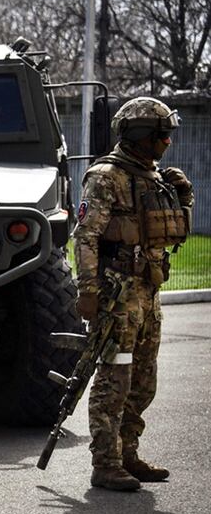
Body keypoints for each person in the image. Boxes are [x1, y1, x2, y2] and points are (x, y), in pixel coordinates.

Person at [73, 96, 194, 491]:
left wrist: (182, 198)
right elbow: (86, 236)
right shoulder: (106, 176)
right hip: (117, 295)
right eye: (162, 136)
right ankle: (105, 463)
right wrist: (88, 290)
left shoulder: (154, 176)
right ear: (141, 136)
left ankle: (128, 453)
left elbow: (165, 231)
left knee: (143, 379)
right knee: (114, 378)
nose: (167, 144)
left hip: (148, 291)